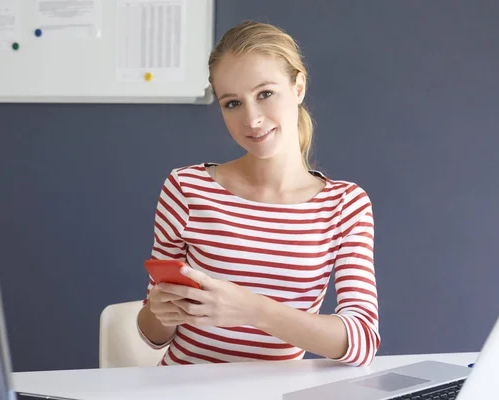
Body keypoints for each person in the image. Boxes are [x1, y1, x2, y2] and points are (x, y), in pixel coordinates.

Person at [137, 20, 380, 366]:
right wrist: (160, 311)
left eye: (265, 94)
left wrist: (252, 309)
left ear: (298, 87)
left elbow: (362, 341)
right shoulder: (186, 189)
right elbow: (153, 335)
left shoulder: (345, 205)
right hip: (185, 387)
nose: (251, 120)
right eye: (232, 103)